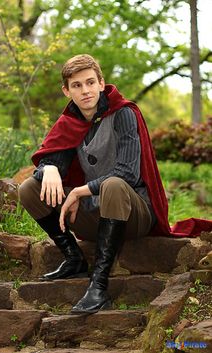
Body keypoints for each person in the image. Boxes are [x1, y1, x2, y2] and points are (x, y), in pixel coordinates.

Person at [18, 54, 212, 314]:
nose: (85, 90)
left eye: (90, 82)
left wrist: (79, 191)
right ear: (67, 91)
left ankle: (98, 286)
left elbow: (127, 174)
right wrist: (49, 166)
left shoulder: (124, 114)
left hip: (135, 214)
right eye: (77, 85)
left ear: (101, 83)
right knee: (29, 188)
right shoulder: (69, 123)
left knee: (114, 184)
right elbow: (53, 160)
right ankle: (74, 259)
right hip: (95, 214)